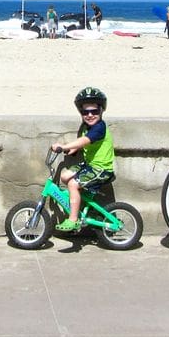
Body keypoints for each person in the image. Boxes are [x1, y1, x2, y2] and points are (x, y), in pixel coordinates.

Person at [51, 87, 115, 232]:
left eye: (94, 111)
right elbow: (83, 141)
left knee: (73, 184)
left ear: (101, 111)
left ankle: (73, 219)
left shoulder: (99, 127)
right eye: (85, 112)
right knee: (64, 175)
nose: (90, 115)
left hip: (101, 169)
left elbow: (85, 140)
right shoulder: (86, 126)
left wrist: (64, 146)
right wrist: (73, 149)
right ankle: (84, 204)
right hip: (90, 165)